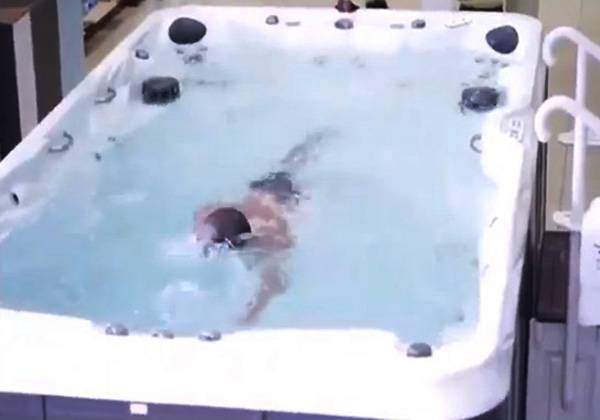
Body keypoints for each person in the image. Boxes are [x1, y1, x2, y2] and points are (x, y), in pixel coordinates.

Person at [194, 128, 337, 323]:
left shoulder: (271, 233)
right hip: (266, 190)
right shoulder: (217, 214)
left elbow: (277, 279)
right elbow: (202, 215)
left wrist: (251, 315)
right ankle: (316, 140)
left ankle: (319, 141)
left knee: (298, 176)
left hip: (288, 201)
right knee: (289, 167)